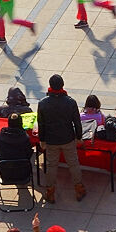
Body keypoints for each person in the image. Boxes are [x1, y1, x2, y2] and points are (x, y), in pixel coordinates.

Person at [37, 74, 85, 204]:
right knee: (73, 164)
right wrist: (79, 137)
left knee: (51, 166)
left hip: (51, 140)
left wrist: (42, 140)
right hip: (68, 138)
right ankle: (79, 189)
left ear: (50, 86)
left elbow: (41, 124)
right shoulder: (70, 102)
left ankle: (50, 192)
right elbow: (77, 122)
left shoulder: (43, 103)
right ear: (62, 85)